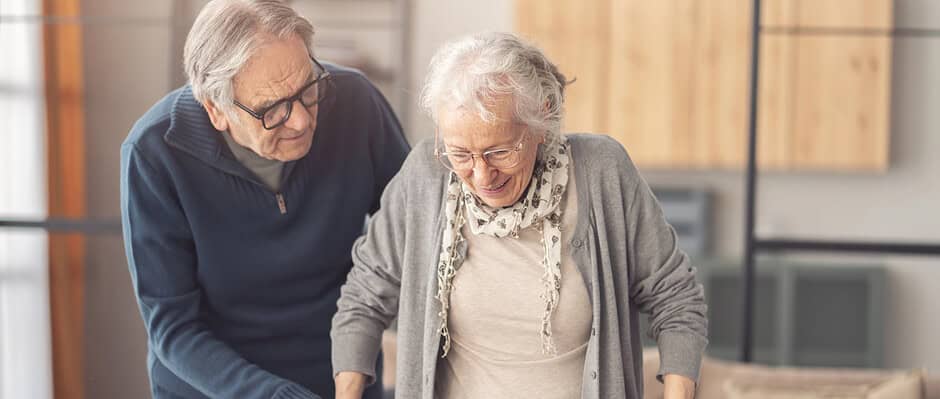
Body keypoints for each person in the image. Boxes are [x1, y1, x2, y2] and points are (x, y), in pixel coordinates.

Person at [330, 32, 708, 399]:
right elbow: (364, 297)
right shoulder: (424, 178)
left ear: (541, 123)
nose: (482, 175)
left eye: (500, 152)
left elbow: (676, 299)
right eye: (460, 154)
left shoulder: (602, 172)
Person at [119, 1, 409, 397]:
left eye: (308, 88)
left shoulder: (356, 102)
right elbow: (173, 329)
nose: (302, 120)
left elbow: (417, 229)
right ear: (216, 111)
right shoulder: (154, 153)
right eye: (273, 110)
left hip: (341, 378)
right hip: (212, 387)